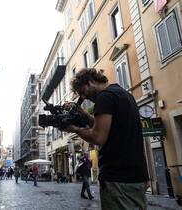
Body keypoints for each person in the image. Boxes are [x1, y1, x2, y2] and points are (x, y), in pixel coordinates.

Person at [63, 68, 149, 209]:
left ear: (91, 81)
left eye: (82, 91)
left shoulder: (104, 97)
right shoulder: (123, 94)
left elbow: (98, 137)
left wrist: (75, 129)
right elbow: (105, 126)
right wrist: (82, 112)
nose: (83, 97)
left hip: (117, 178)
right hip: (136, 176)